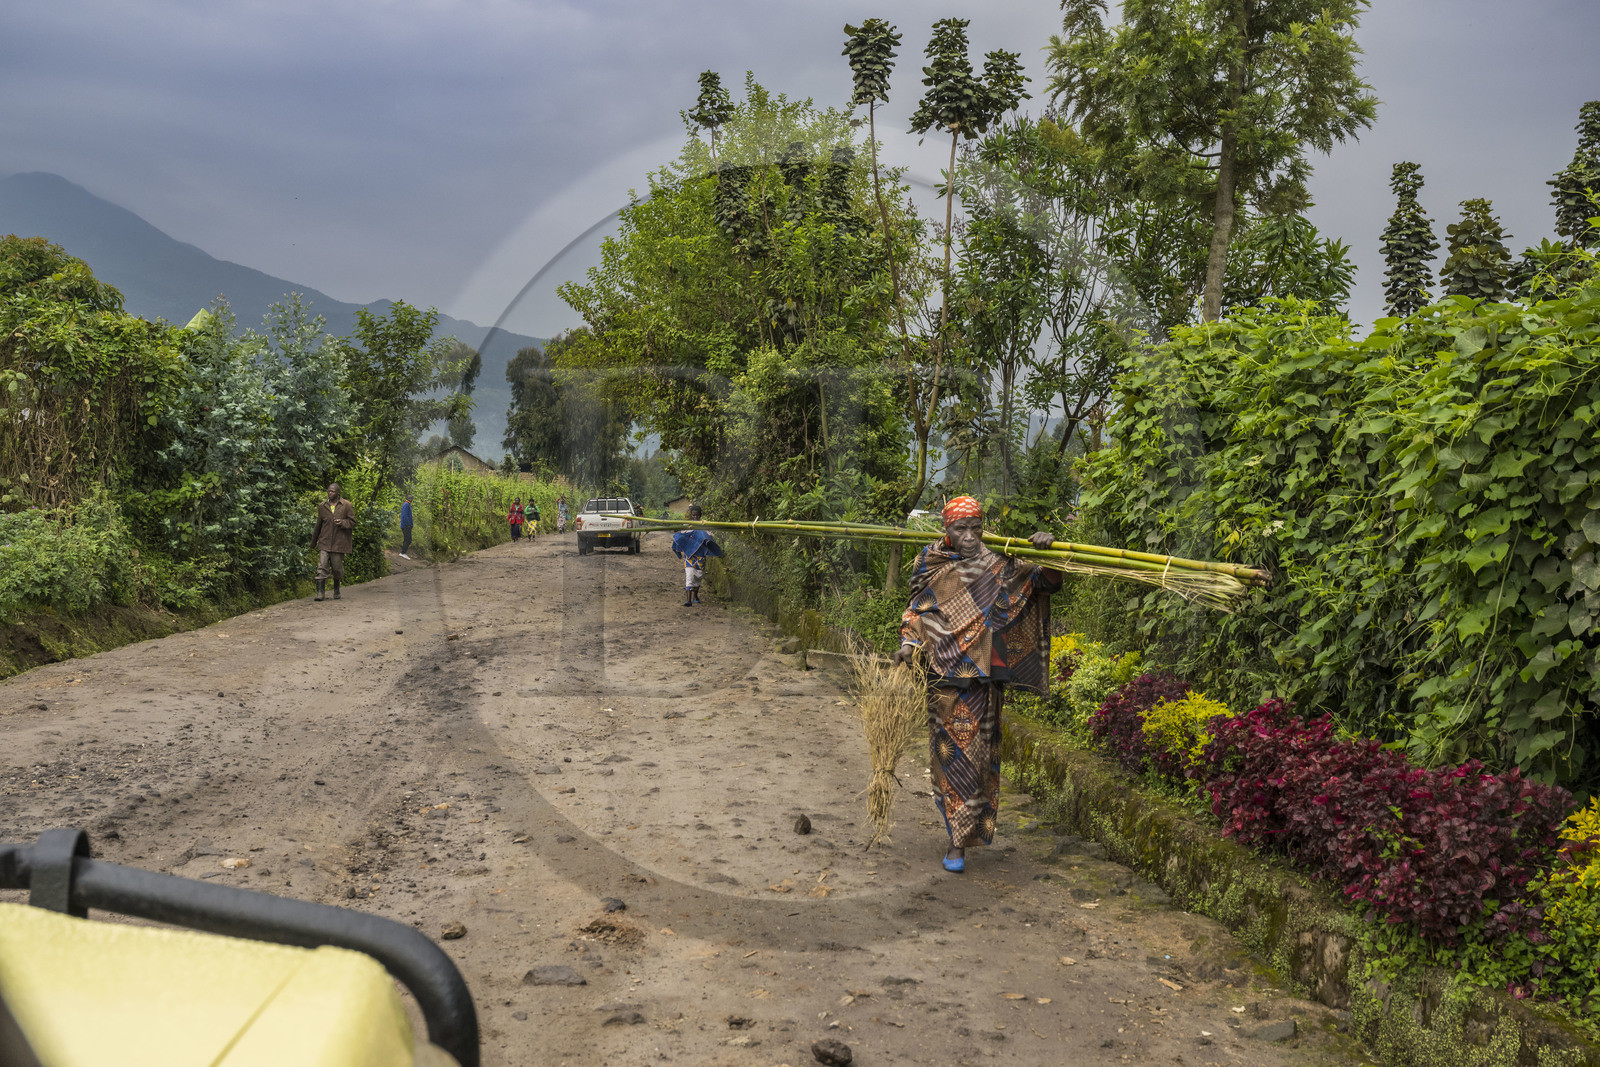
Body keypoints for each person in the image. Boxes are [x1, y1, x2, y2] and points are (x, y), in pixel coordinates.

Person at [892, 496, 1058, 873]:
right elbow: (916, 610)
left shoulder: (998, 561)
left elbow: (1042, 583)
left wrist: (1046, 553)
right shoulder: (929, 562)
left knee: (977, 759)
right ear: (946, 530)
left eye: (976, 528)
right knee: (947, 758)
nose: (969, 537)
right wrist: (909, 643)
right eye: (960, 528)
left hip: (982, 677)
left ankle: (958, 843)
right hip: (943, 677)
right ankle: (956, 829)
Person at [311, 482, 356, 601]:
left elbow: (352, 522)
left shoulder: (346, 505)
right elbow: (318, 525)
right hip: (324, 542)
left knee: (337, 568)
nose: (329, 493)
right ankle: (320, 593)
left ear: (338, 492)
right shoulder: (322, 506)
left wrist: (342, 522)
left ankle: (336, 589)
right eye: (328, 491)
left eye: (332, 491)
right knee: (321, 567)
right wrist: (313, 542)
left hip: (338, 543)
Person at [670, 504, 721, 607]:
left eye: (697, 515)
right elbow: (681, 537)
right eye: (693, 515)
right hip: (689, 557)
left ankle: (695, 596)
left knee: (698, 577)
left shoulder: (704, 526)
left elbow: (710, 538)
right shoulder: (686, 526)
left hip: (700, 557)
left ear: (700, 515)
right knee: (689, 576)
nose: (695, 517)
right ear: (691, 515)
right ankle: (688, 600)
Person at [399, 494, 413, 558]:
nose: (411, 499)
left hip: (407, 525)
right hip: (406, 526)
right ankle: (403, 552)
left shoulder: (408, 505)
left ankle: (403, 552)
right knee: (408, 539)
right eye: (409, 498)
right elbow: (405, 516)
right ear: (407, 498)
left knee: (407, 539)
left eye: (411, 498)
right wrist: (408, 524)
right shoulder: (406, 505)